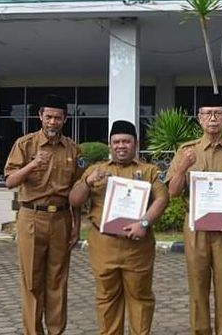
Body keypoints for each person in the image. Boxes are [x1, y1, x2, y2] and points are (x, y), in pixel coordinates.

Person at [69, 120, 168, 335]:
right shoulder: (96, 170)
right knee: (106, 298)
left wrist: (144, 223)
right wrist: (87, 182)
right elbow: (74, 200)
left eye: (126, 141)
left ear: (136, 144)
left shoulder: (149, 171)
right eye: (116, 142)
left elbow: (162, 199)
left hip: (137, 246)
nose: (121, 146)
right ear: (109, 144)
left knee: (140, 297)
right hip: (104, 246)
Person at [165, 93, 222, 335]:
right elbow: (172, 192)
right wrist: (182, 168)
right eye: (207, 114)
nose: (213, 118)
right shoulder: (186, 151)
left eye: (218, 114)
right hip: (196, 228)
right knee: (197, 286)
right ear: (199, 118)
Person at [4, 95, 82, 335]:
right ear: (40, 116)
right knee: (32, 280)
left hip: (61, 218)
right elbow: (10, 181)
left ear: (65, 119)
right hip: (32, 217)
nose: (52, 122)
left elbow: (77, 191)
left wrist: (77, 225)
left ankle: (56, 331)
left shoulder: (73, 149)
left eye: (58, 117)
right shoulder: (25, 145)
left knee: (57, 280)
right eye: (48, 117)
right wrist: (32, 165)